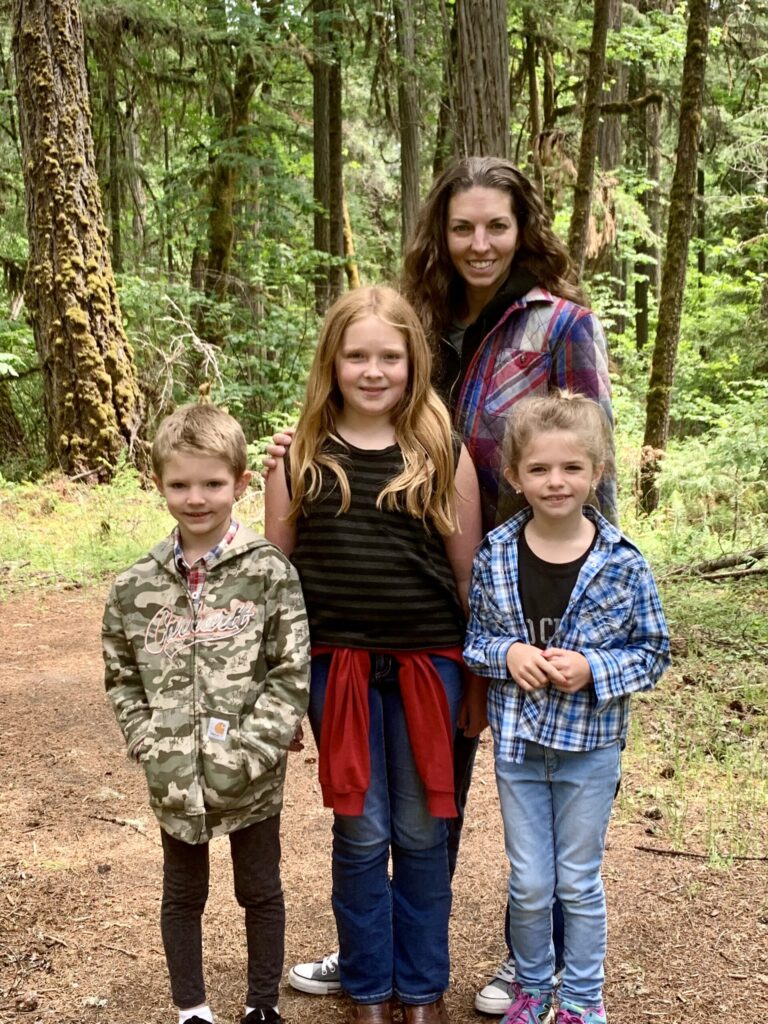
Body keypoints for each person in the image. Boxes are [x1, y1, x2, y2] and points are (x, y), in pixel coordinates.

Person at [279, 156, 616, 1014]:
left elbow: (594, 461)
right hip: (400, 593)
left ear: (522, 229)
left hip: (517, 590)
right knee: (397, 810)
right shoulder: (421, 313)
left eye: (497, 225)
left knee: (508, 791)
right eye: (462, 226)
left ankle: (526, 966)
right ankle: (379, 957)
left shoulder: (559, 326)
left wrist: (590, 593)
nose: (479, 243)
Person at [264, 286, 483, 1024]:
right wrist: (279, 688)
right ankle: (366, 987)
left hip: (431, 666)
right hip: (338, 669)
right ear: (331, 361)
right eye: (356, 355)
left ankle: (420, 990)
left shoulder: (443, 453)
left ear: (413, 362)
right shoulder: (299, 456)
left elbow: (467, 576)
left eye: (389, 356)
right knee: (360, 830)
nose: (372, 370)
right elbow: (276, 582)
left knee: (422, 828)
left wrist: (478, 680)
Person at [464, 390, 670, 1024]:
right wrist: (506, 654)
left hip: (590, 751)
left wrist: (594, 669)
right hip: (520, 749)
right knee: (530, 883)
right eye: (540, 468)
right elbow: (475, 641)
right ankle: (532, 991)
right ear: (515, 475)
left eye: (572, 467)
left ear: (597, 471)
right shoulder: (496, 554)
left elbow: (653, 651)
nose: (556, 481)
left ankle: (582, 999)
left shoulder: (623, 564)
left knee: (577, 882)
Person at [102, 403, 311, 1024]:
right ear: (158, 483)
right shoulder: (134, 587)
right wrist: (148, 741)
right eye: (180, 484)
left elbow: (291, 668)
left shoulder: (268, 571)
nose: (196, 498)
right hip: (174, 778)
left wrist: (255, 749)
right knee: (182, 895)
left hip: (252, 775)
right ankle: (192, 1007)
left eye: (213, 483)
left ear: (241, 483)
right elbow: (122, 674)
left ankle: (261, 1004)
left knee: (260, 890)